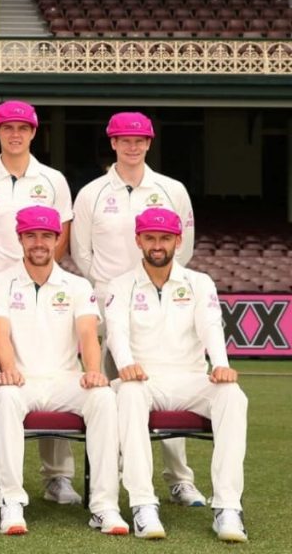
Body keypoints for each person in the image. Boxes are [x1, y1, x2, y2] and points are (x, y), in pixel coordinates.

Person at [71, 112, 205, 507]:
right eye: (124, 140)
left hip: (159, 300)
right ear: (112, 143)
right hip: (108, 304)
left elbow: (186, 246)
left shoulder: (171, 190)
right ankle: (109, 478)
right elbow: (81, 252)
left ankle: (179, 479)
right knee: (110, 394)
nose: (132, 146)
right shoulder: (92, 193)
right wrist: (115, 290)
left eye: (140, 140)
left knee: (169, 384)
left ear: (149, 143)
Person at [0, 206, 128, 536]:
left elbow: (88, 334)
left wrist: (93, 371)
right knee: (5, 398)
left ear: (57, 239)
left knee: (104, 397)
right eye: (31, 235)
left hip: (64, 380)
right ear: (20, 238)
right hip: (20, 380)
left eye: (46, 236)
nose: (39, 242)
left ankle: (104, 506)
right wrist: (8, 369)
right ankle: (11, 502)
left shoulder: (77, 285)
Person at [106, 208, 248, 542]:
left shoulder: (199, 283)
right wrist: (126, 363)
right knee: (127, 392)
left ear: (178, 241)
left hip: (191, 379)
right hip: (144, 380)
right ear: (138, 240)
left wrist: (221, 364)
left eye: (165, 238)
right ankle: (143, 504)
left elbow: (211, 326)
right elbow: (116, 331)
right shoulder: (121, 284)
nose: (158, 245)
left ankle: (228, 507)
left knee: (232, 395)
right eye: (151, 238)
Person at [0, 100, 79, 506]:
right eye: (8, 128)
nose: (15, 134)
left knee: (54, 372)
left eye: (23, 128)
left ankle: (58, 477)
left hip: (44, 290)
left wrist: (39, 274)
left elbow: (61, 235)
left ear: (34, 133)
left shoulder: (53, 180)